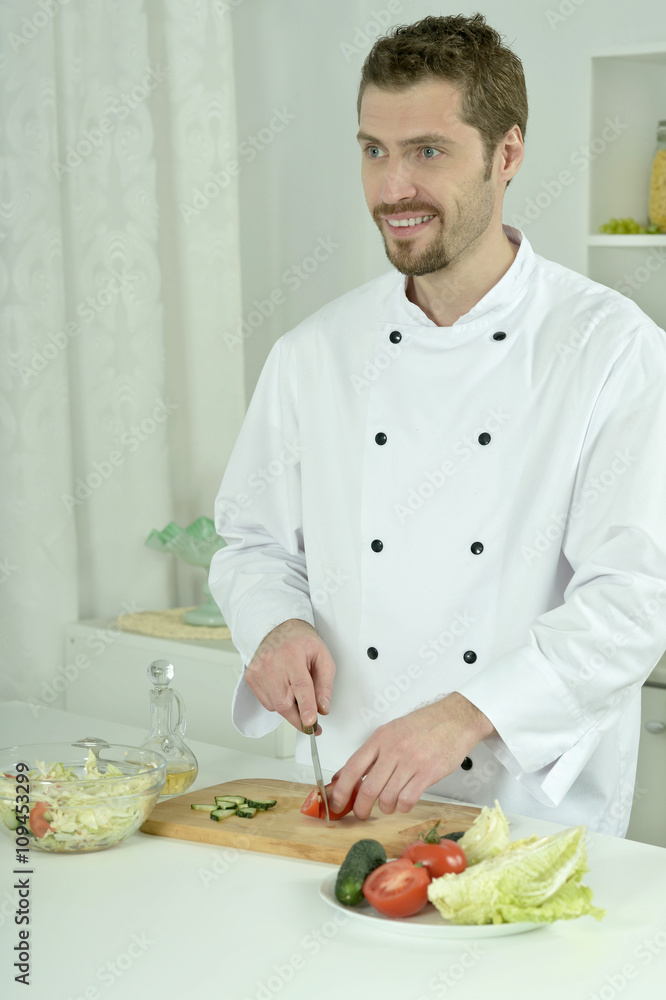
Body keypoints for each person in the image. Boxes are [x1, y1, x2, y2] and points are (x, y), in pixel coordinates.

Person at [209, 14, 666, 836]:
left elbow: (634, 601)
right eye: (373, 150)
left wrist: (464, 714)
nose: (393, 189)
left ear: (507, 155)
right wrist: (273, 624)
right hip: (348, 800)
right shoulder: (313, 354)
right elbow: (251, 544)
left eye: (428, 151)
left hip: (529, 817)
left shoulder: (612, 350)